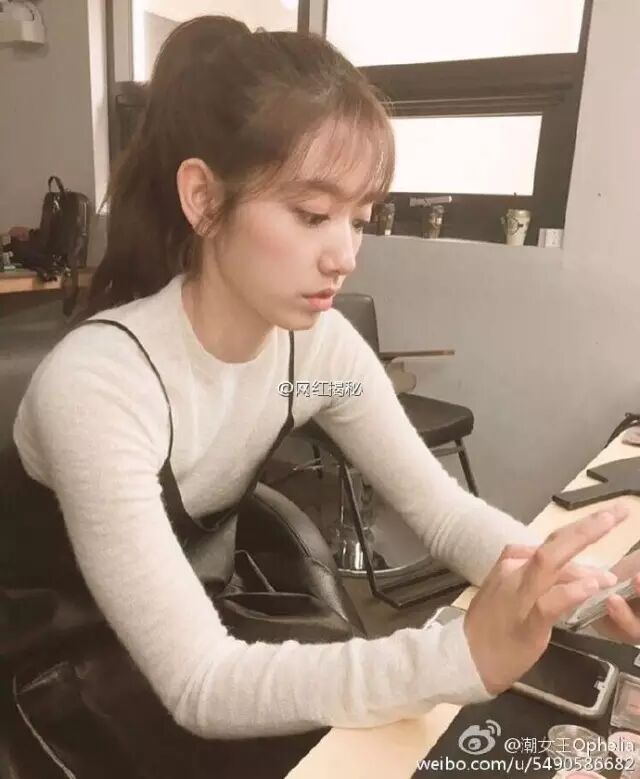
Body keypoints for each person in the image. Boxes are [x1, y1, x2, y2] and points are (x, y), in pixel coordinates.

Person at [2, 14, 640, 777]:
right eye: (311, 214)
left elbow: (441, 511)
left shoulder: (312, 355)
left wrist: (584, 585)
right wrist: (460, 654)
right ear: (203, 198)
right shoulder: (101, 387)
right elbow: (200, 682)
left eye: (359, 218)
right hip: (69, 676)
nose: (344, 254)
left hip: (202, 623)